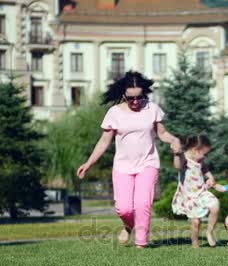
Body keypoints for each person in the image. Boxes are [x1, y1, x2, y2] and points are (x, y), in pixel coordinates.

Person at [77, 71, 181, 249]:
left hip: (148, 164)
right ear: (123, 95)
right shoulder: (114, 113)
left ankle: (141, 243)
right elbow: (104, 142)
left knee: (142, 204)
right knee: (123, 208)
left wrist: (174, 140)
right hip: (123, 167)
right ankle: (128, 225)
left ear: (144, 94)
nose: (135, 102)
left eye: (139, 97)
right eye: (130, 98)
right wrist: (89, 163)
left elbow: (162, 133)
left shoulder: (152, 109)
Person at [171, 134, 220, 248]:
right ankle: (195, 242)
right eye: (205, 154)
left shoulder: (200, 160)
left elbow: (205, 169)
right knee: (195, 222)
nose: (206, 157)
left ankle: (209, 231)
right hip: (189, 196)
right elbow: (177, 166)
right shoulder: (184, 158)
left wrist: (211, 178)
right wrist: (176, 154)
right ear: (195, 150)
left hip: (201, 192)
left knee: (215, 205)